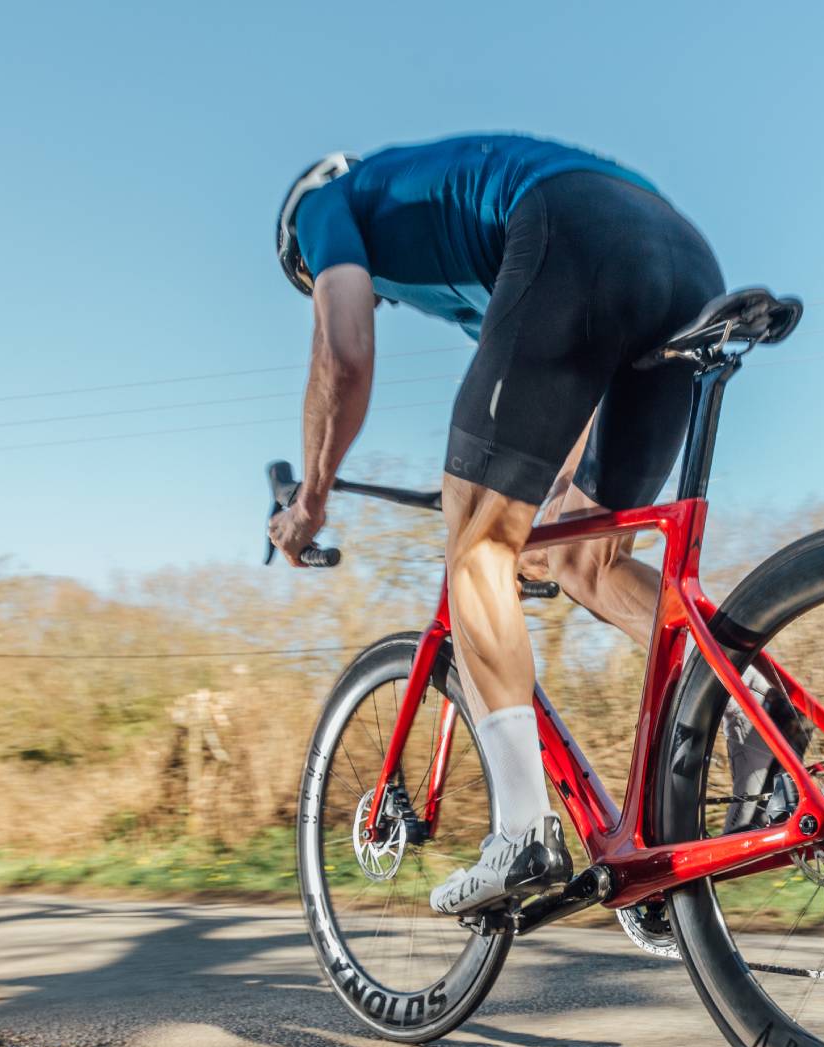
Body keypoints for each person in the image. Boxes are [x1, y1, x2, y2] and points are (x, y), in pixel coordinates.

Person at [267, 133, 739, 916]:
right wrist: (554, 490)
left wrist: (310, 499)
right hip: (682, 255)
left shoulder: (325, 204)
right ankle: (751, 696)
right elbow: (557, 363)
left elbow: (343, 356)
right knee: (584, 561)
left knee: (476, 548)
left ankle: (523, 830)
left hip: (572, 224)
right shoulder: (461, 266)